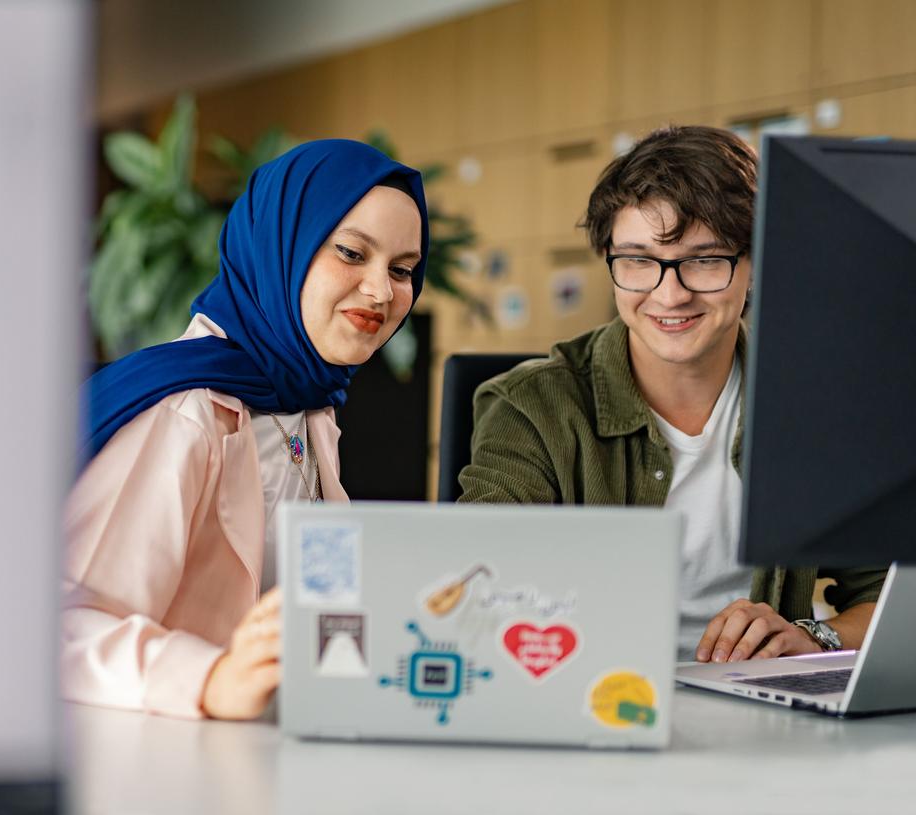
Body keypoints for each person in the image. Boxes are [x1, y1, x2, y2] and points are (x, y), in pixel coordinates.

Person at [457, 125, 885, 663]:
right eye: (637, 260)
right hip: (590, 703)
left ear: (756, 265)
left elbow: (888, 595)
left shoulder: (820, 404)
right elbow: (486, 592)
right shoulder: (531, 408)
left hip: (766, 716)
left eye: (705, 260)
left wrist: (815, 637)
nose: (670, 293)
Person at [63, 140, 428, 719]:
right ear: (281, 246)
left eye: (403, 269)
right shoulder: (186, 412)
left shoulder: (307, 404)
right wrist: (208, 679)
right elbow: (57, 631)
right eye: (352, 253)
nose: (383, 291)